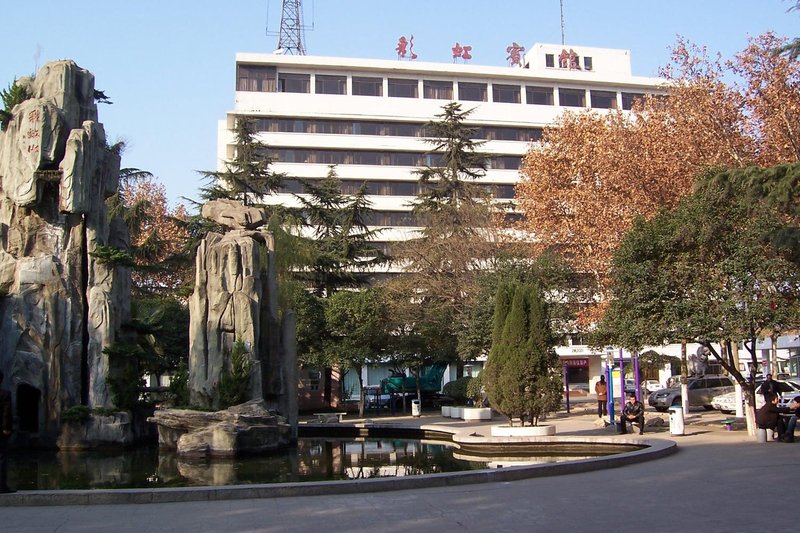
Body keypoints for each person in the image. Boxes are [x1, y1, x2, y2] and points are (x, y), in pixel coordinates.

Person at [0, 370, 14, 493]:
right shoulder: (4, 394)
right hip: (1, 432)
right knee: (2, 457)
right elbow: (6, 412)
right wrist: (6, 428)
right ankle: (2, 486)